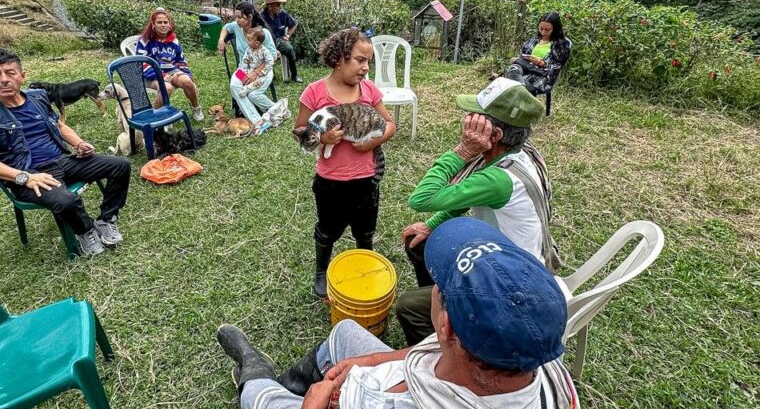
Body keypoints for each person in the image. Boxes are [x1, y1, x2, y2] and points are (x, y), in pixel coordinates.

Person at [216, 217, 585, 409]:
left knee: (264, 403)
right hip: (387, 407)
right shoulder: (535, 350)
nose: (434, 288)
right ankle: (295, 382)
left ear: (448, 327)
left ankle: (255, 373)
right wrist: (369, 360)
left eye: (439, 285)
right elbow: (425, 353)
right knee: (345, 332)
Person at [396, 77, 556, 345]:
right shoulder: (515, 153)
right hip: (507, 259)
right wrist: (430, 225)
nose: (468, 120)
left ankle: (447, 354)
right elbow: (462, 199)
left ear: (494, 135)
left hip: (511, 285)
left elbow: (421, 198)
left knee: (408, 307)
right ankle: (447, 308)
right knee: (420, 243)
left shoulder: (499, 179)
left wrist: (463, 150)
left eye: (476, 117)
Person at [0, 48, 131, 256]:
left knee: (120, 165)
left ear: (22, 76)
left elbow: (59, 125)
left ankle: (106, 219)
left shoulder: (38, 98)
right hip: (29, 172)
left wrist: (78, 143)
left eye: (10, 73)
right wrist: (24, 177)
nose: (4, 79)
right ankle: (86, 229)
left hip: (63, 160)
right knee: (66, 200)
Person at [294, 27, 396, 297]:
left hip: (366, 179)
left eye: (368, 62)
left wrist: (374, 142)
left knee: (365, 231)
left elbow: (389, 124)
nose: (365, 68)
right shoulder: (315, 92)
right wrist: (323, 137)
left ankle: (367, 267)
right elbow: (299, 130)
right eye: (360, 60)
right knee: (327, 230)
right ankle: (320, 272)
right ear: (339, 58)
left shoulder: (369, 91)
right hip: (330, 182)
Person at [135, 7, 204, 121]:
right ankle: (156, 115)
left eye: (165, 22)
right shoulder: (144, 41)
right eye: (159, 22)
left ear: (169, 24)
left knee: (187, 82)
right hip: (150, 75)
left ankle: (196, 107)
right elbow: (142, 64)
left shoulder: (174, 41)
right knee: (166, 88)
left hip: (172, 71)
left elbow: (181, 62)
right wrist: (161, 76)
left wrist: (188, 77)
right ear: (153, 24)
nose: (163, 25)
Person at [503, 11, 571, 95]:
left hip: (542, 76)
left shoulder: (560, 45)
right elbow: (524, 56)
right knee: (513, 71)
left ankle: (520, 99)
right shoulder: (533, 41)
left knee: (513, 85)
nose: (543, 32)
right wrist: (518, 60)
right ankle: (524, 99)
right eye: (541, 28)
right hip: (525, 69)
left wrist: (540, 63)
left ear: (555, 29)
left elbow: (556, 68)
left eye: (547, 30)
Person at [230, 27, 276, 133]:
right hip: (248, 70)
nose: (247, 41)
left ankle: (270, 110)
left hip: (261, 73)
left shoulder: (264, 51)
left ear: (257, 43)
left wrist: (259, 72)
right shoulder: (249, 49)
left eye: (249, 40)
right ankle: (258, 118)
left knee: (252, 92)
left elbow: (270, 61)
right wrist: (245, 73)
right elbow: (245, 60)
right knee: (236, 82)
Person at [260, 0, 301, 83]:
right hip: (266, 42)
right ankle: (270, 76)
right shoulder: (261, 17)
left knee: (289, 49)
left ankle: (294, 75)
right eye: (278, 5)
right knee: (265, 54)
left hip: (279, 39)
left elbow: (294, 24)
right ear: (270, 6)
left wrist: (288, 35)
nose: (280, 7)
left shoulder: (283, 13)